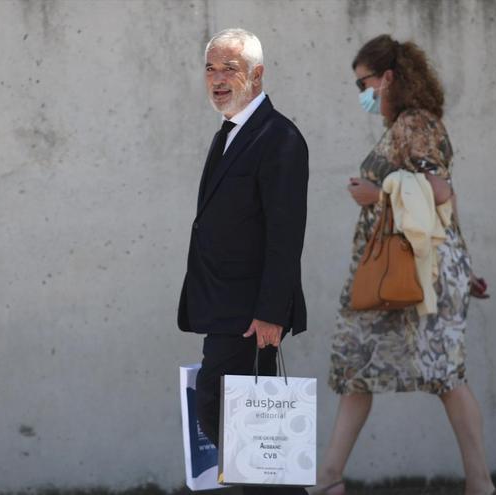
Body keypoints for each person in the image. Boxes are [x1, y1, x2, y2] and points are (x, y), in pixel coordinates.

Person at [309, 35, 496, 495]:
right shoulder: (408, 124)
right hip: (401, 270)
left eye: (364, 83)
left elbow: (440, 191)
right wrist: (465, 265)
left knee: (442, 374)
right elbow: (439, 199)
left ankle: (480, 484)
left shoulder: (415, 123)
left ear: (389, 77)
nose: (362, 93)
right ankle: (330, 478)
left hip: (412, 272)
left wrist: (378, 194)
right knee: (360, 366)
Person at [177, 28, 309, 495]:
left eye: (229, 69)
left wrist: (271, 312)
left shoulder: (279, 138)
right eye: (210, 69)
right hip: (223, 306)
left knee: (231, 419)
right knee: (241, 429)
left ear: (256, 75)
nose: (217, 79)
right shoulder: (230, 133)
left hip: (252, 314)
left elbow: (285, 234)